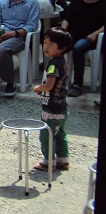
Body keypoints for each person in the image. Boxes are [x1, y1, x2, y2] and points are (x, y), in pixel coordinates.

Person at [32, 27, 73, 172]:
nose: (46, 47)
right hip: (62, 107)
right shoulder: (62, 62)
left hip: (51, 109)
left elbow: (49, 85)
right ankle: (63, 160)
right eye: (44, 43)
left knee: (47, 135)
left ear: (62, 48)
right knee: (60, 133)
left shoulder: (53, 65)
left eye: (51, 44)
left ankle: (48, 162)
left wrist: (38, 88)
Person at [60, 0, 106, 97]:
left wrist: (96, 33)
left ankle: (77, 84)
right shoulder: (77, 1)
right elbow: (67, 18)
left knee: (78, 48)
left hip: (90, 36)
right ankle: (58, 79)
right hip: (74, 33)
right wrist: (63, 29)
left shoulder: (103, 4)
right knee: (57, 45)